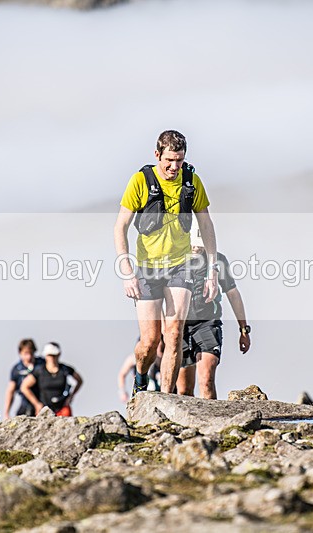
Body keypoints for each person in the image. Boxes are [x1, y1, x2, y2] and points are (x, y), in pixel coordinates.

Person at [114, 130, 220, 396]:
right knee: (150, 341)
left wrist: (212, 270)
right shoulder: (140, 181)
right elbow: (120, 227)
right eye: (169, 161)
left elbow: (206, 223)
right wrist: (127, 272)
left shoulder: (191, 181)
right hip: (147, 268)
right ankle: (140, 378)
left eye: (180, 161)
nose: (174, 167)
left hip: (180, 265)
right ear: (157, 155)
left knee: (174, 333)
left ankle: (165, 398)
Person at [176, 221, 251, 399]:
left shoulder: (218, 260)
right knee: (183, 390)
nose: (195, 249)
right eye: (192, 245)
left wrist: (243, 329)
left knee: (206, 380)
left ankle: (213, 424)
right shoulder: (175, 260)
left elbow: (233, 294)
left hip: (208, 324)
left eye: (199, 246)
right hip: (180, 327)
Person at [20, 342, 83, 416]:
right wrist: (36, 404)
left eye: (54, 355)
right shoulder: (39, 371)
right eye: (50, 355)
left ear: (59, 354)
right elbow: (24, 387)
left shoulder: (65, 369)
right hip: (45, 409)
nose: (52, 358)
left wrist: (71, 396)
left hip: (62, 409)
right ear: (46, 356)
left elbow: (79, 380)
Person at [3, 338, 45, 419]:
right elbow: (10, 391)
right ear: (20, 353)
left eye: (31, 353)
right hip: (26, 404)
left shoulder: (42, 364)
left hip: (43, 402)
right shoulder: (16, 369)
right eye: (26, 353)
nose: (29, 357)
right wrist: (6, 412)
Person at [116, 336, 163, 403]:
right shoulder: (132, 359)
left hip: (156, 389)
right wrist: (122, 391)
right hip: (140, 390)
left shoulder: (159, 358)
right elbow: (122, 374)